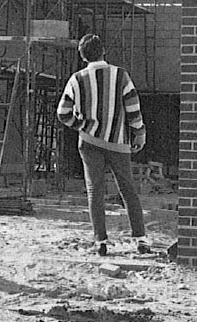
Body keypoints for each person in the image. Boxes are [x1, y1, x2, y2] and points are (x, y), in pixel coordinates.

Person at [56, 34, 150, 256]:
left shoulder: (76, 79)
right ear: (103, 51)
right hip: (118, 142)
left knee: (94, 190)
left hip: (89, 141)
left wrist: (80, 125)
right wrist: (139, 134)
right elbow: (133, 110)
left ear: (82, 56)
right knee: (128, 189)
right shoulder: (121, 76)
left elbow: (62, 113)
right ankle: (141, 239)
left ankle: (101, 241)